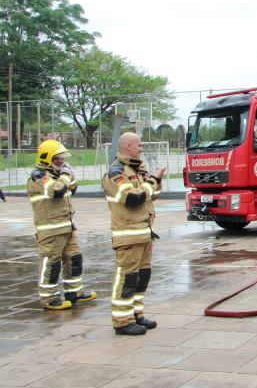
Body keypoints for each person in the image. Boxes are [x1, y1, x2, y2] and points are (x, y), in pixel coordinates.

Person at [102, 132, 163, 335]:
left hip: (144, 232)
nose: (141, 148)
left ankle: (137, 314)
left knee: (141, 276)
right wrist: (152, 179)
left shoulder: (136, 170)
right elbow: (134, 198)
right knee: (127, 278)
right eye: (139, 145)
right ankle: (122, 321)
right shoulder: (116, 173)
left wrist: (154, 180)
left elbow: (151, 195)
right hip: (128, 235)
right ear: (128, 146)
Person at [28, 140, 97, 310]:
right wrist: (66, 175)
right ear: (46, 158)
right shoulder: (38, 176)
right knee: (52, 264)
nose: (61, 161)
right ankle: (49, 298)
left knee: (74, 259)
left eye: (62, 158)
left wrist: (68, 178)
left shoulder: (57, 175)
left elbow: (70, 190)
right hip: (50, 229)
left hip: (66, 226)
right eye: (57, 158)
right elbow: (57, 191)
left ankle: (74, 292)